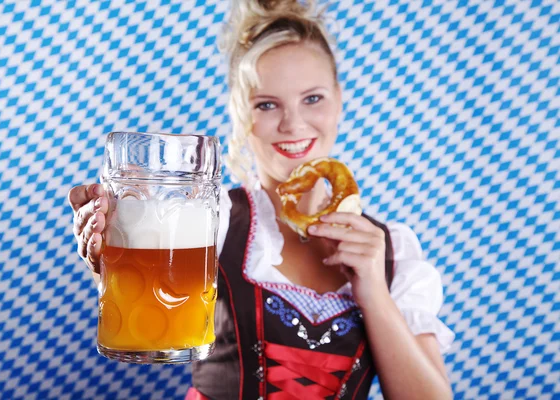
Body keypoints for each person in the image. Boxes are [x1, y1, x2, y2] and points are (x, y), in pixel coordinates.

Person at [68, 1, 455, 398]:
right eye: (266, 104)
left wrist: (373, 290)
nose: (293, 123)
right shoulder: (209, 218)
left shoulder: (392, 251)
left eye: (313, 98)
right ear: (241, 112)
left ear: (339, 99)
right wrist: (109, 257)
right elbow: (149, 318)